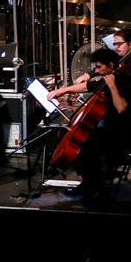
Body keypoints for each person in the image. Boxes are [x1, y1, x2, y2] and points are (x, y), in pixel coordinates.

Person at [47, 47, 130, 204]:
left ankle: (97, 189)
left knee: (83, 147)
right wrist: (62, 91)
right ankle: (89, 184)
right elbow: (87, 86)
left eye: (99, 67)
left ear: (111, 65)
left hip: (121, 134)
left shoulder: (123, 80)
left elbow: (122, 108)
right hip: (108, 130)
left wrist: (112, 86)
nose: (96, 71)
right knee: (81, 143)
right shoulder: (107, 77)